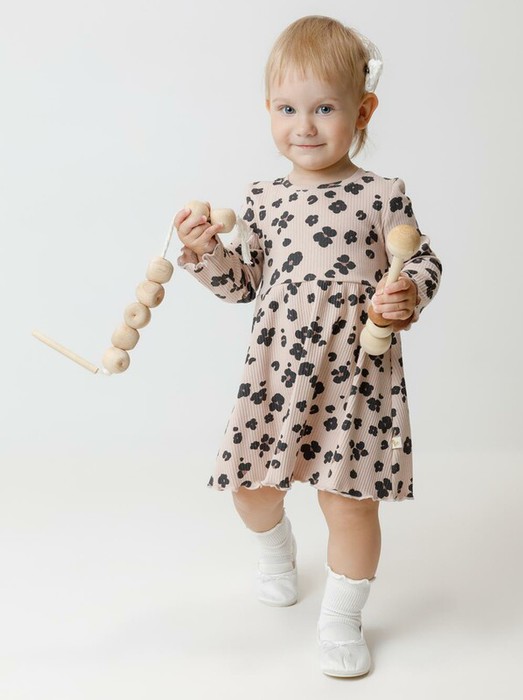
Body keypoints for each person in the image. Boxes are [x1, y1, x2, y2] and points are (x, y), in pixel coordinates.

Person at [174, 15, 441, 678]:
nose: (305, 126)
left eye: (324, 108)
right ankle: (275, 552)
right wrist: (205, 252)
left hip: (356, 375)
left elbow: (421, 260)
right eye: (287, 108)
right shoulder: (262, 199)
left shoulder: (382, 195)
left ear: (362, 111)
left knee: (348, 502)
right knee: (251, 490)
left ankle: (342, 617)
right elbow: (243, 284)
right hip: (276, 375)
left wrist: (406, 292)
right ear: (268, 110)